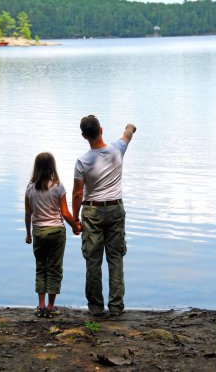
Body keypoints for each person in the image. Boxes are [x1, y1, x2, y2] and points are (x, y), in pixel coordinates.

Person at [72, 115, 136, 316]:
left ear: (84, 136)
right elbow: (128, 133)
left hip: (92, 212)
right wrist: (130, 126)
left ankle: (96, 308)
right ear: (101, 130)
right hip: (116, 209)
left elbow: (77, 193)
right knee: (115, 258)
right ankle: (116, 307)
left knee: (93, 261)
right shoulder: (117, 149)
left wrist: (75, 219)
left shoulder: (82, 161)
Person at [25, 152, 81, 318]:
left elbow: (28, 214)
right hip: (56, 232)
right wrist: (75, 226)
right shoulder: (58, 187)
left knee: (41, 267)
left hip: (38, 232)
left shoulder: (29, 188)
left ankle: (40, 306)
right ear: (52, 167)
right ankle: (51, 307)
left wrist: (29, 234)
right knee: (54, 269)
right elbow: (64, 212)